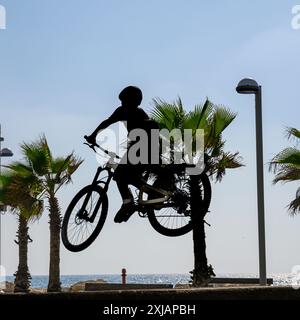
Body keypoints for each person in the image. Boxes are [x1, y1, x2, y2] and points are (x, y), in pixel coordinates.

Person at [85, 86, 159, 223]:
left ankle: (128, 202)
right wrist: (93, 135)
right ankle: (149, 195)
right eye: (122, 101)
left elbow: (106, 123)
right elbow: (106, 123)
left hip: (143, 148)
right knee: (128, 177)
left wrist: (93, 136)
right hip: (140, 148)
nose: (122, 104)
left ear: (132, 101)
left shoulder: (133, 112)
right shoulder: (125, 111)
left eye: (124, 101)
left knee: (120, 175)